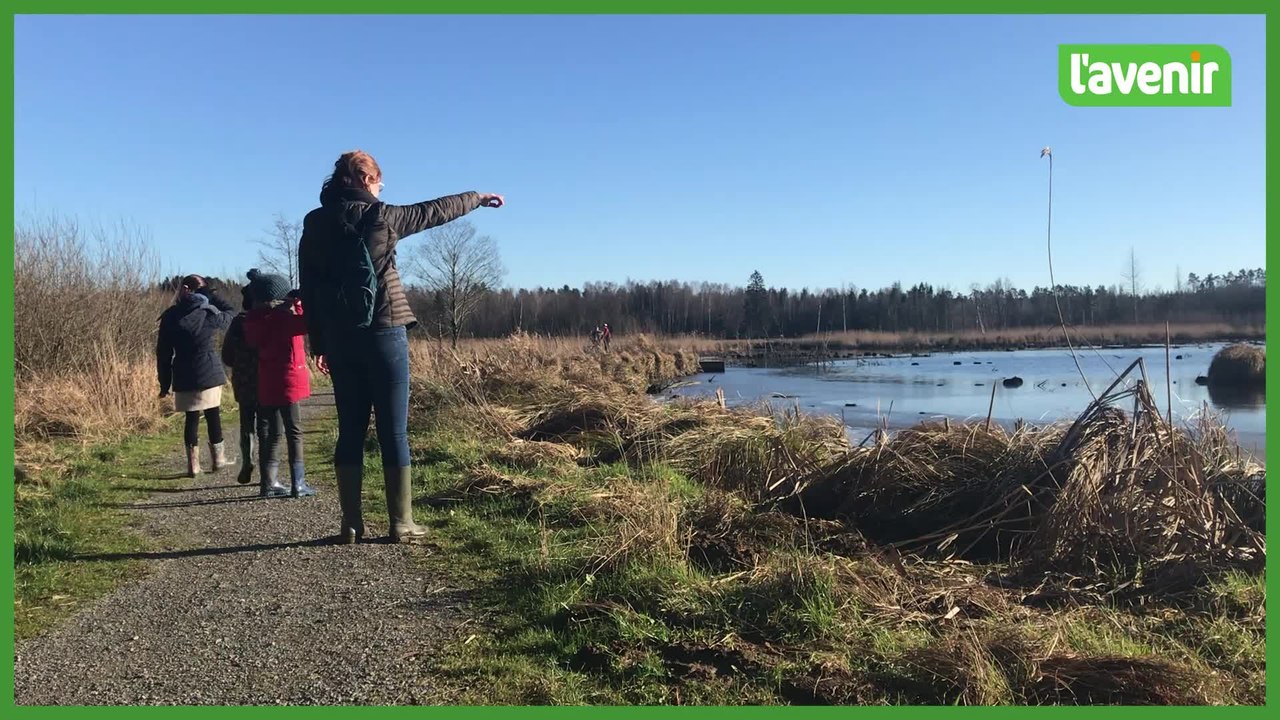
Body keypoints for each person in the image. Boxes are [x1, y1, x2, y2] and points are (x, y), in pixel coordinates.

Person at [298, 149, 504, 543]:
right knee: (394, 432)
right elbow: (435, 211)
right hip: (385, 329)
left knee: (350, 430)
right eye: (378, 180)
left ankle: (350, 525)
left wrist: (319, 341)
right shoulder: (384, 217)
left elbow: (309, 286)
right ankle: (401, 523)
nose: (381, 187)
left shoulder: (315, 222)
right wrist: (477, 197)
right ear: (363, 178)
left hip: (340, 336)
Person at [244, 269, 316, 499]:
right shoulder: (283, 320)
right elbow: (309, 324)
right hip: (289, 381)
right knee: (294, 432)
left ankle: (268, 482)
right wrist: (300, 303)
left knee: (271, 434)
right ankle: (298, 482)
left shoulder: (254, 320)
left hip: (267, 381)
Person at [157, 274, 236, 477]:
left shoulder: (170, 316)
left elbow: (163, 354)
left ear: (183, 289)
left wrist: (164, 384)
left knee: (191, 419)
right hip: (208, 370)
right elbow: (231, 312)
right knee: (213, 415)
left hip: (183, 372)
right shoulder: (209, 313)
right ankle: (218, 460)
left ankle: (193, 466)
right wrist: (210, 295)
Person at [220, 285, 259, 485]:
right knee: (267, 424)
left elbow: (226, 355)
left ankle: (248, 459)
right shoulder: (267, 319)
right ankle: (269, 470)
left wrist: (239, 362)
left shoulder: (238, 323)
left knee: (246, 424)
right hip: (266, 378)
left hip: (243, 380)